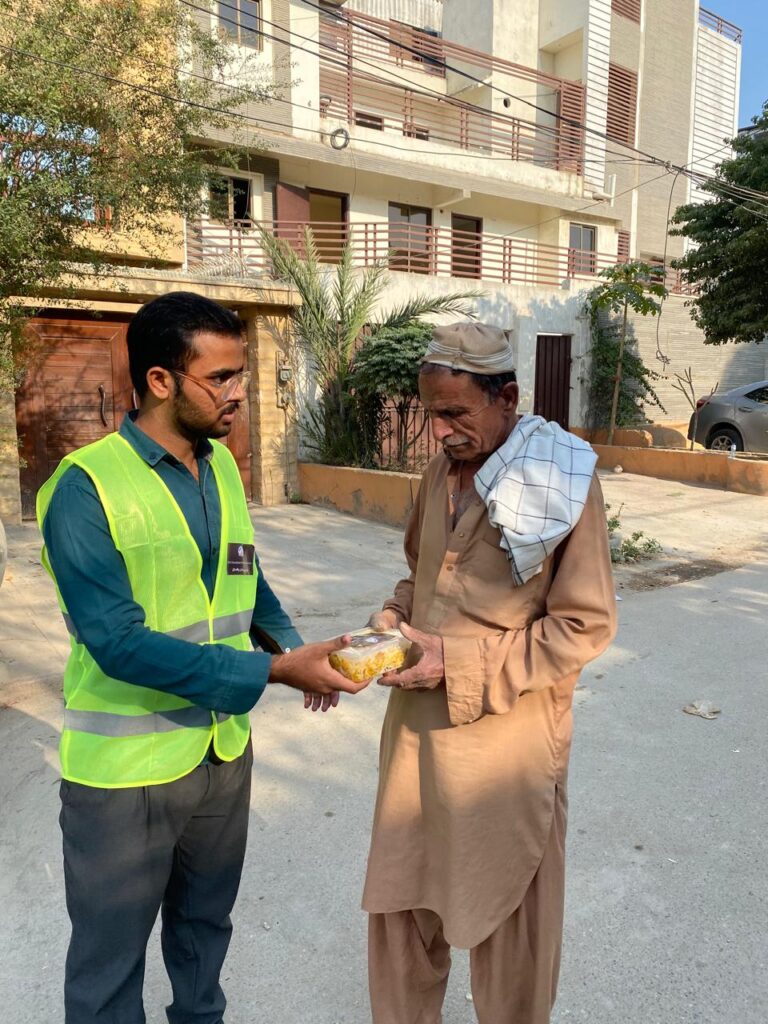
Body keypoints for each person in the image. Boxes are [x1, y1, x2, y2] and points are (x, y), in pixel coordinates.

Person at [37, 291, 365, 1024]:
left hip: (221, 753)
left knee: (203, 934)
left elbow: (244, 570)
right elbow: (116, 642)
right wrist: (272, 672)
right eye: (220, 378)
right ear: (160, 381)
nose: (240, 393)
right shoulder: (85, 488)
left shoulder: (218, 466)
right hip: (126, 774)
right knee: (108, 962)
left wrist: (296, 648)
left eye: (240, 374)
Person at [363, 323, 617, 1024]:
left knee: (510, 931)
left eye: (455, 414)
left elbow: (584, 626)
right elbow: (419, 578)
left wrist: (458, 661)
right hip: (416, 743)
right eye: (431, 414)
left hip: (509, 750)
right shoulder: (440, 472)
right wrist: (390, 619)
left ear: (506, 396)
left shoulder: (564, 480)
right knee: (402, 910)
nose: (440, 431)